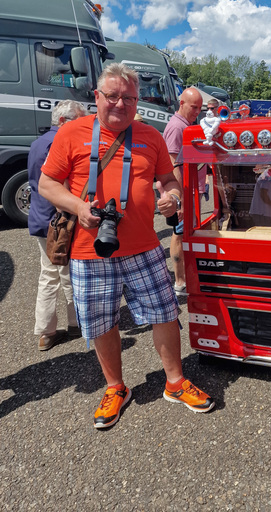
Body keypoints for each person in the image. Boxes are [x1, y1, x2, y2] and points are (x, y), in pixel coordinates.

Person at [39, 63, 214, 429]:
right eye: (113, 96)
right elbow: (46, 185)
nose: (121, 103)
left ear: (138, 100)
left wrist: (171, 196)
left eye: (129, 97)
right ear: (97, 97)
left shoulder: (150, 136)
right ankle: (116, 387)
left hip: (144, 246)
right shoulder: (72, 132)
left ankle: (175, 382)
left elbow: (169, 179)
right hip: (90, 250)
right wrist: (78, 207)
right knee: (102, 323)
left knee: (165, 313)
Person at [28, 100, 87, 351]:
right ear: (63, 121)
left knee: (49, 274)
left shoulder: (37, 142)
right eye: (78, 120)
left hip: (40, 218)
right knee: (68, 273)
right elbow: (61, 189)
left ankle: (46, 331)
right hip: (60, 221)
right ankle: (77, 324)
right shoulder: (59, 143)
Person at [163, 87, 204, 296]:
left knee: (184, 233)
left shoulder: (186, 125)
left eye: (199, 108)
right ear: (182, 103)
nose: (197, 111)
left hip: (188, 191)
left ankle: (184, 279)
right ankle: (179, 283)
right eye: (193, 107)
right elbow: (173, 165)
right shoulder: (177, 127)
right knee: (179, 234)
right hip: (182, 193)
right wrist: (180, 200)